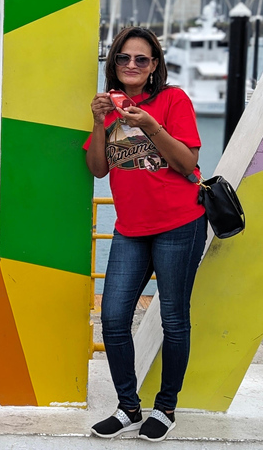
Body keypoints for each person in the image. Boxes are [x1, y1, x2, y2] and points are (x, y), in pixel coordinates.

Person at [84, 27, 207, 442]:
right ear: (113, 64)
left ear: (155, 66)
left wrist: (151, 124)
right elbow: (99, 168)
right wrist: (100, 122)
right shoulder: (110, 108)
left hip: (180, 223)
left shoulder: (173, 100)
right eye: (123, 58)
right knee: (114, 318)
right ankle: (128, 407)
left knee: (174, 318)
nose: (132, 65)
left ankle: (166, 408)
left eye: (141, 59)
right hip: (130, 229)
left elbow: (186, 161)